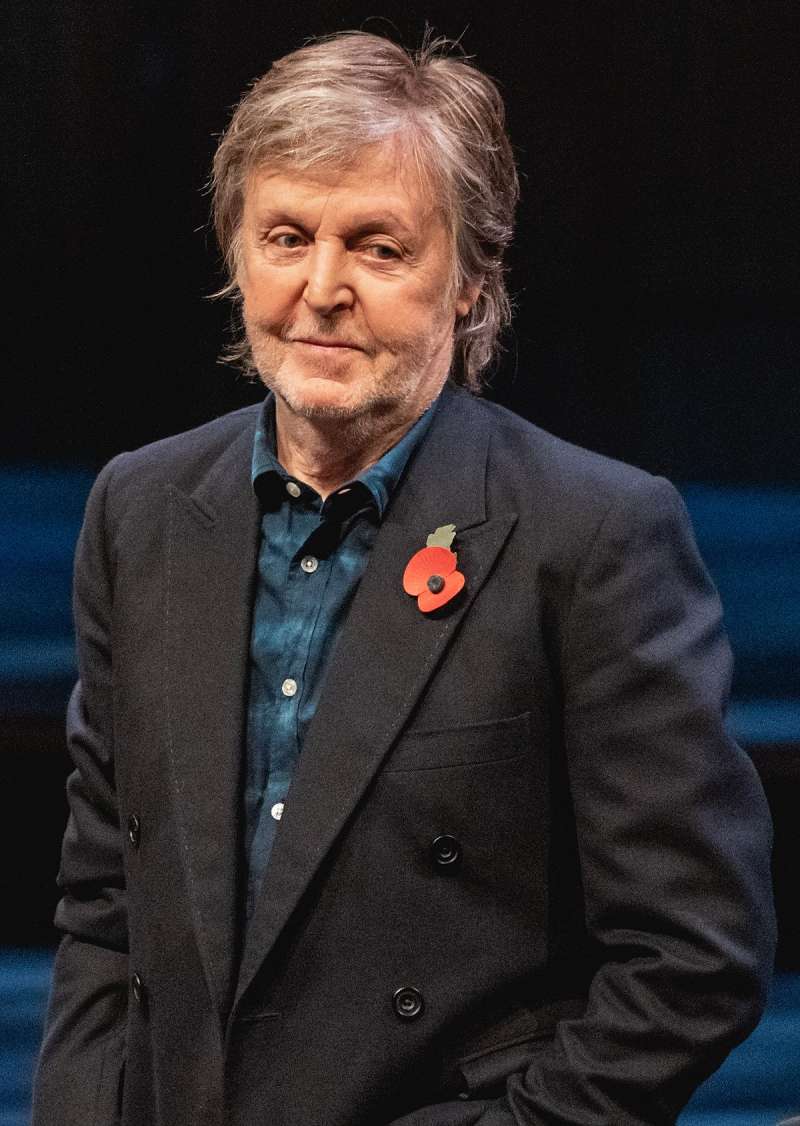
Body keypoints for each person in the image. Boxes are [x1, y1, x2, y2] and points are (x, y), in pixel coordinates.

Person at [32, 31, 776, 1126]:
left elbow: (694, 956)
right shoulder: (140, 508)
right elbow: (105, 911)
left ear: (470, 280)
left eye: (378, 248)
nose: (321, 288)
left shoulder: (592, 534)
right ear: (236, 251)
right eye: (286, 237)